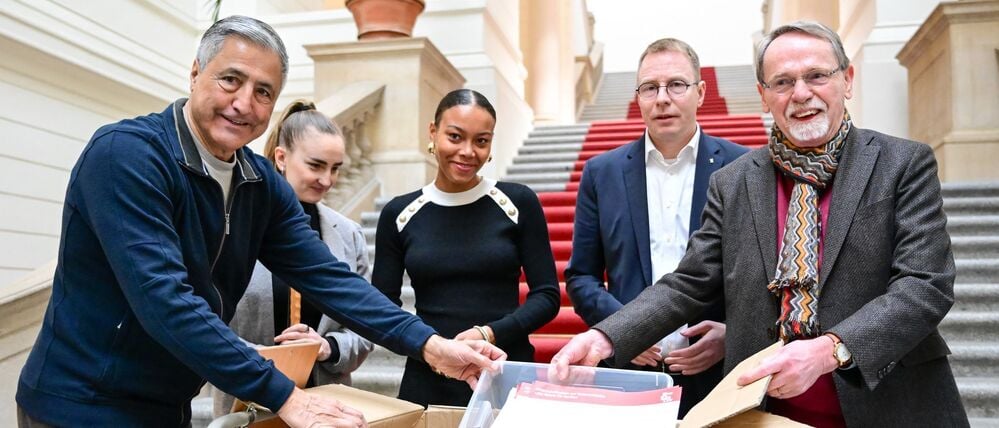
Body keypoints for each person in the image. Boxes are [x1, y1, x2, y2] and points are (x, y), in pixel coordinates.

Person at [16, 16, 504, 428]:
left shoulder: (257, 180)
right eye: (231, 79)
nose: (244, 103)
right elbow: (166, 301)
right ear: (195, 74)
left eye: (263, 91)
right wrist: (286, 396)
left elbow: (329, 278)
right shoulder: (127, 156)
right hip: (80, 403)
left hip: (166, 404)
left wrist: (430, 345)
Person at [551, 21, 969, 427]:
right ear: (763, 95)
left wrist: (828, 351)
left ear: (848, 80)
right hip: (762, 409)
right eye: (783, 82)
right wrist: (607, 337)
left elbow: (924, 284)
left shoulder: (902, 164)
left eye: (817, 76)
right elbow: (689, 282)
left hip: (888, 403)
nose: (801, 94)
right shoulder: (735, 180)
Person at [564, 38, 748, 416]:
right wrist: (622, 329)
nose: (662, 98)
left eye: (676, 85)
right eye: (650, 87)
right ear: (639, 97)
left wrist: (732, 336)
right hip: (628, 372)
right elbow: (581, 276)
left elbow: (762, 274)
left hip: (717, 373)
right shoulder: (602, 172)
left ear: (700, 92)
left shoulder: (743, 167)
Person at [373, 89, 560, 407]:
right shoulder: (399, 214)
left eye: (481, 141)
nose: (467, 152)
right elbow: (381, 309)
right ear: (433, 132)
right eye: (455, 137)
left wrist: (488, 333)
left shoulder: (517, 202)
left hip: (504, 370)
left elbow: (547, 296)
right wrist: (430, 348)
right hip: (428, 378)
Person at [211, 99, 375, 417]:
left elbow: (366, 326)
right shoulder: (230, 227)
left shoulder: (350, 234)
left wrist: (327, 347)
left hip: (330, 408)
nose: (327, 180)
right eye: (316, 166)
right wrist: (263, 359)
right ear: (282, 158)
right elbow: (205, 319)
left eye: (335, 169)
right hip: (248, 403)